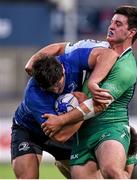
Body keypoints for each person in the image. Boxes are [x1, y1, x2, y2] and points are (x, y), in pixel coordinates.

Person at [41, 5, 137, 179]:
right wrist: (35, 60)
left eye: (118, 24)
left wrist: (60, 121)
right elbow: (60, 47)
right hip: (82, 132)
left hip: (110, 126)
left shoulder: (126, 67)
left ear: (131, 32)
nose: (111, 26)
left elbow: (97, 105)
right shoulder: (95, 47)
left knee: (111, 170)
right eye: (111, 22)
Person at [11, 40, 119, 179]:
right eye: (50, 88)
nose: (56, 90)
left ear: (62, 69)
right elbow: (60, 136)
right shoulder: (34, 94)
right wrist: (84, 109)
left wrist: (93, 82)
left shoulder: (72, 60)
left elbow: (109, 54)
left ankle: (61, 162)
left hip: (66, 127)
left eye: (58, 84)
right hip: (29, 131)